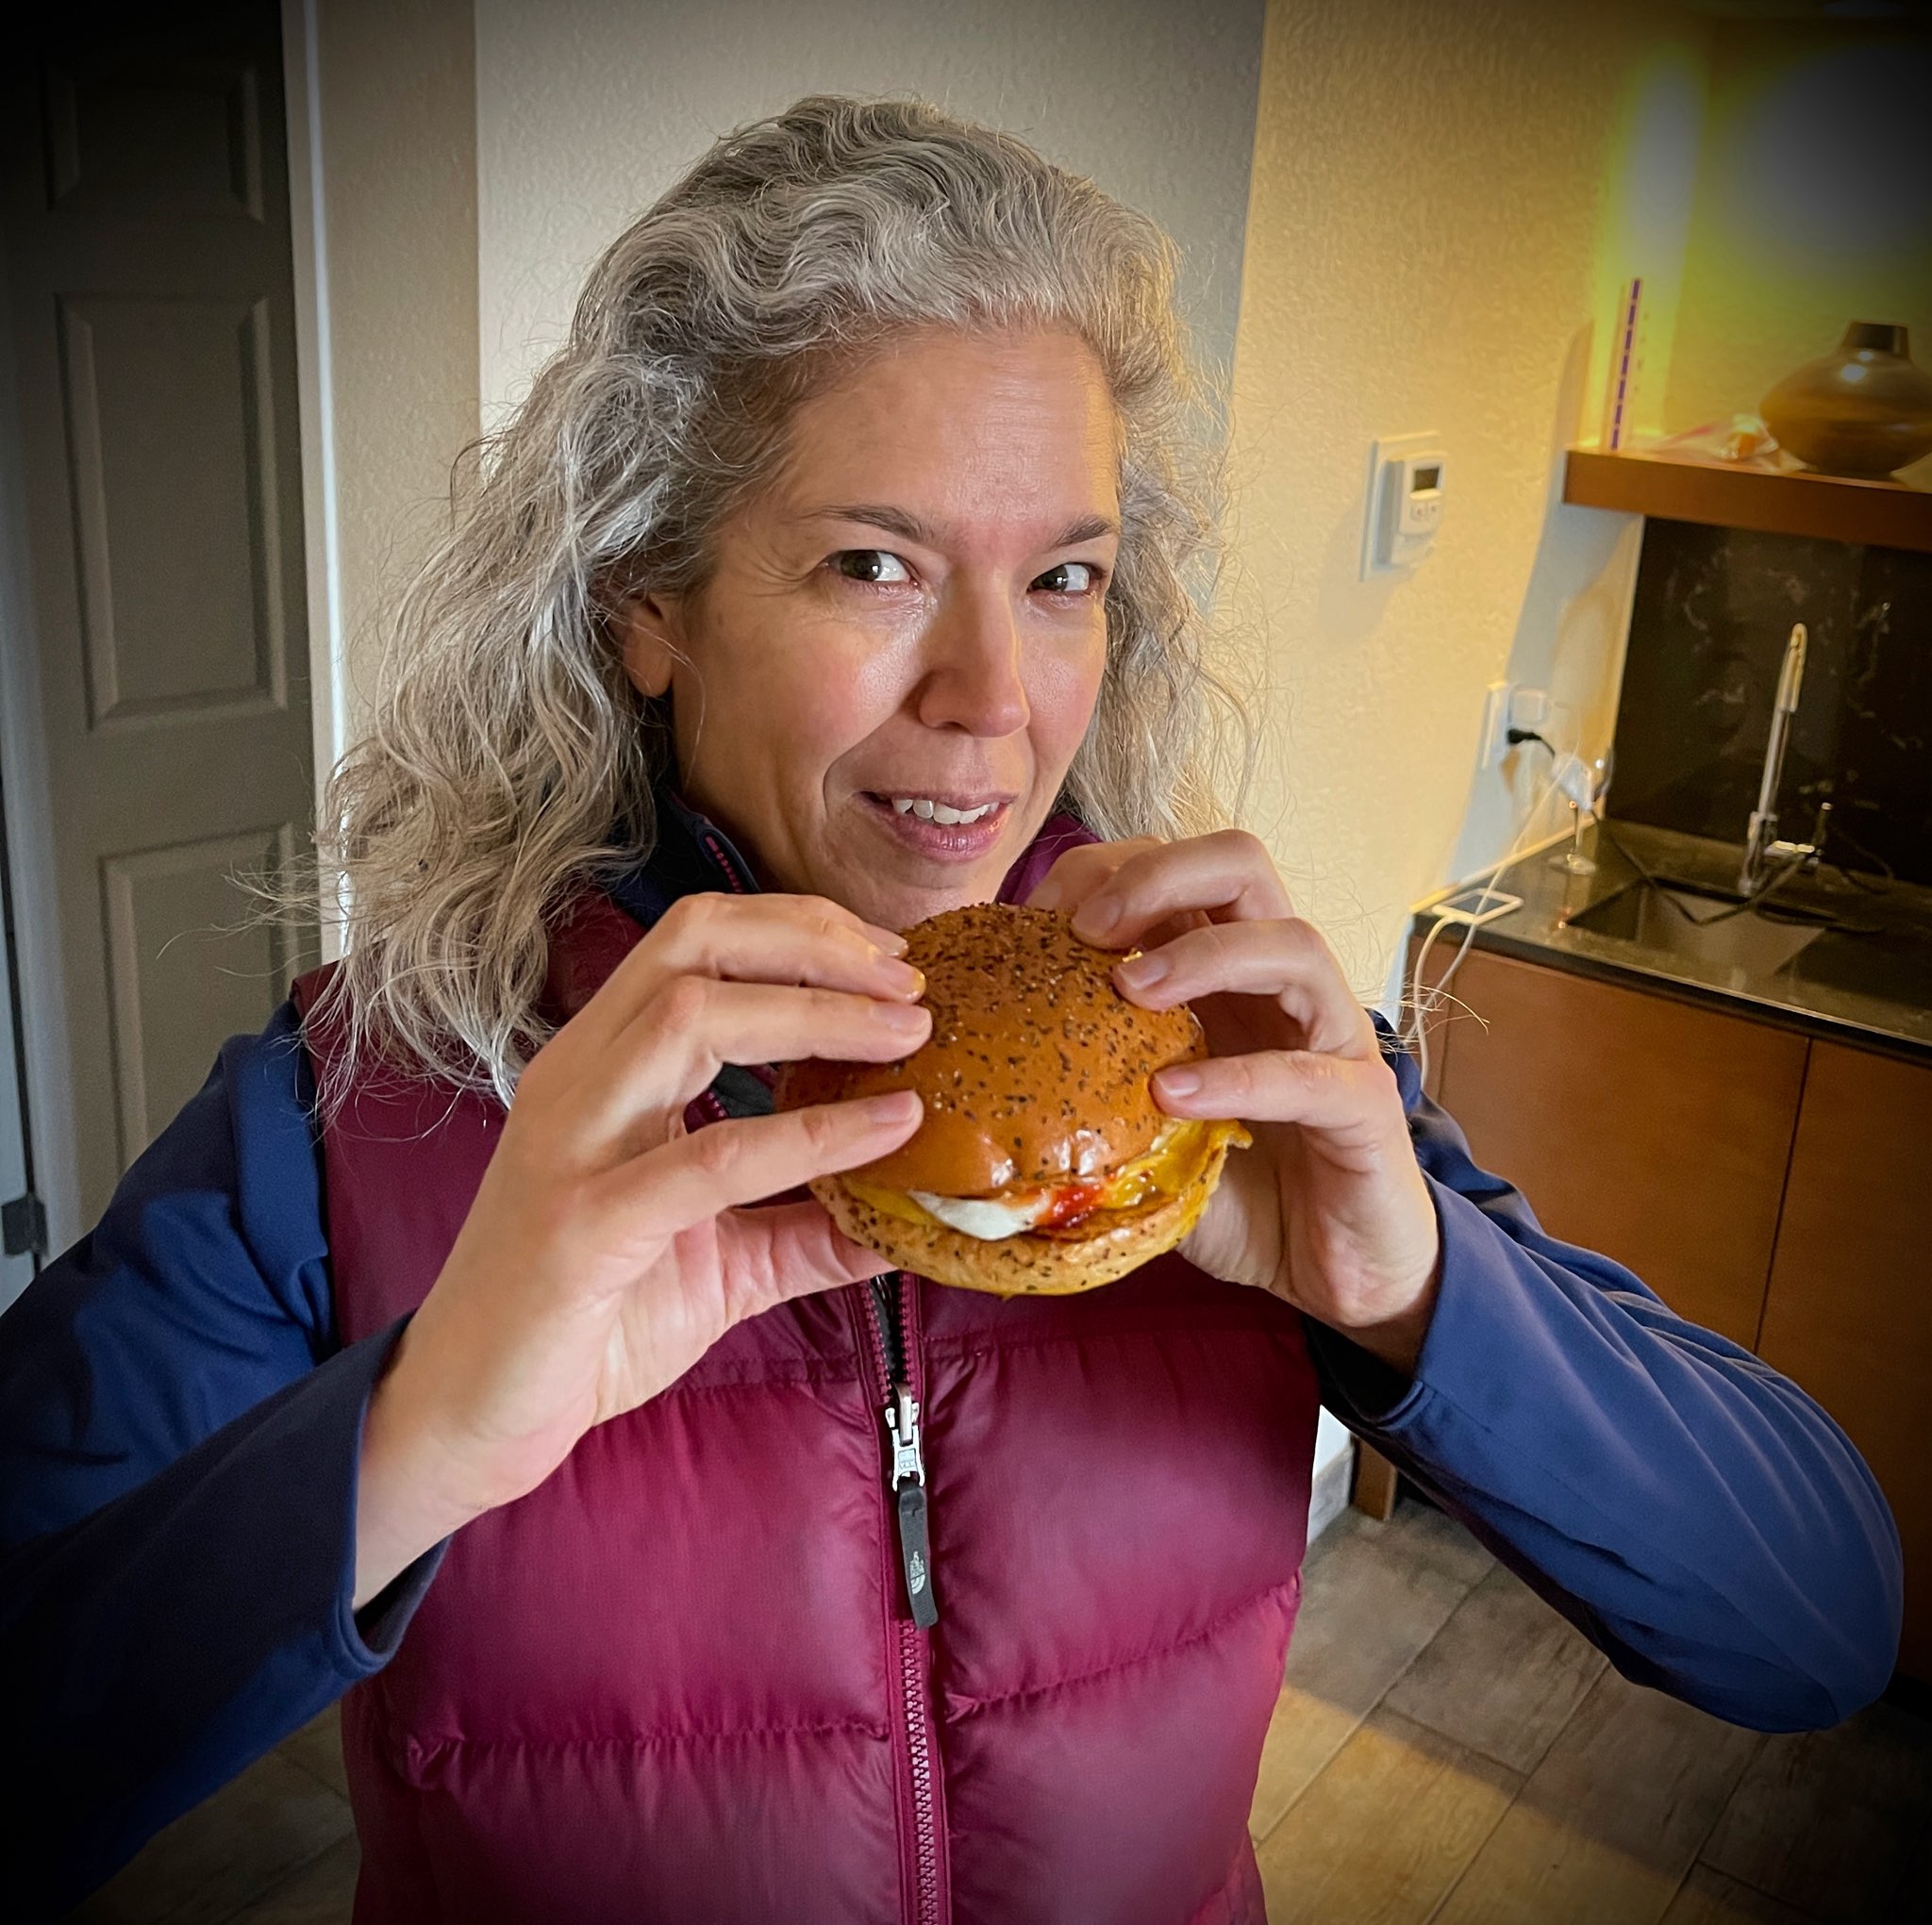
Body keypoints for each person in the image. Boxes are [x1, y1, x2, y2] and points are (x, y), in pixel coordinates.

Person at [0, 96, 1901, 1925]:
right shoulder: (360, 1105)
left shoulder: (1216, 1070)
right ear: (651, 600)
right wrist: (412, 1437)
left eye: (1063, 575)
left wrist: (1420, 1291)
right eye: (873, 564)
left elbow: (1817, 1622)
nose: (995, 694)